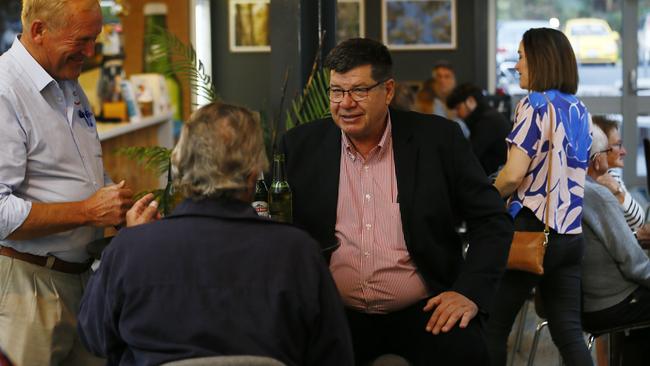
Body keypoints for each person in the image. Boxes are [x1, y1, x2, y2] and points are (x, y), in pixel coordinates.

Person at [281, 37, 513, 366]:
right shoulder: (300, 147)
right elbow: (276, 227)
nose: (345, 103)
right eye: (336, 91)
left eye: (359, 90)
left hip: (426, 309)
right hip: (333, 313)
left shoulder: (438, 140)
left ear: (388, 91)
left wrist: (470, 291)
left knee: (468, 353)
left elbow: (492, 221)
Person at [77, 101, 355, 366]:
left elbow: (95, 338)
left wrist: (131, 243)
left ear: (181, 170)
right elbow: (334, 355)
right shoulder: (297, 252)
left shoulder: (131, 249)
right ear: (252, 175)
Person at [0, 1, 134, 365]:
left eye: (96, 39)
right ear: (39, 31)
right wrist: (89, 211)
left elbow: (83, 173)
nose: (91, 53)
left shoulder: (68, 83)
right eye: (82, 40)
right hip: (28, 289)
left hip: (83, 282)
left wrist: (119, 207)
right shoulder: (5, 91)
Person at [486, 28, 594, 366]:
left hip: (531, 232)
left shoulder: (532, 106)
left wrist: (484, 198)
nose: (516, 65)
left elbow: (514, 174)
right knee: (568, 333)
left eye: (521, 56)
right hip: (570, 236)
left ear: (539, 59)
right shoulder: (579, 109)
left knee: (492, 325)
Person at [582, 124, 650, 365]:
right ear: (597, 161)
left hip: (584, 301)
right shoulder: (597, 196)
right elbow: (635, 266)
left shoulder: (571, 190)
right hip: (609, 304)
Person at [591, 115, 645, 230]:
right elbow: (638, 222)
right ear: (600, 147)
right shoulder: (604, 184)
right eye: (617, 145)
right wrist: (617, 191)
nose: (624, 151)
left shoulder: (611, 175)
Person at [446, 83, 511, 176]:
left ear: (470, 101)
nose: (457, 113)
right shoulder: (487, 116)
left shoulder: (487, 121)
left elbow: (470, 156)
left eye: (458, 108)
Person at [431, 61, 470, 137]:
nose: (442, 81)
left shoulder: (464, 102)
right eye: (439, 76)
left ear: (454, 80)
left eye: (447, 76)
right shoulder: (426, 102)